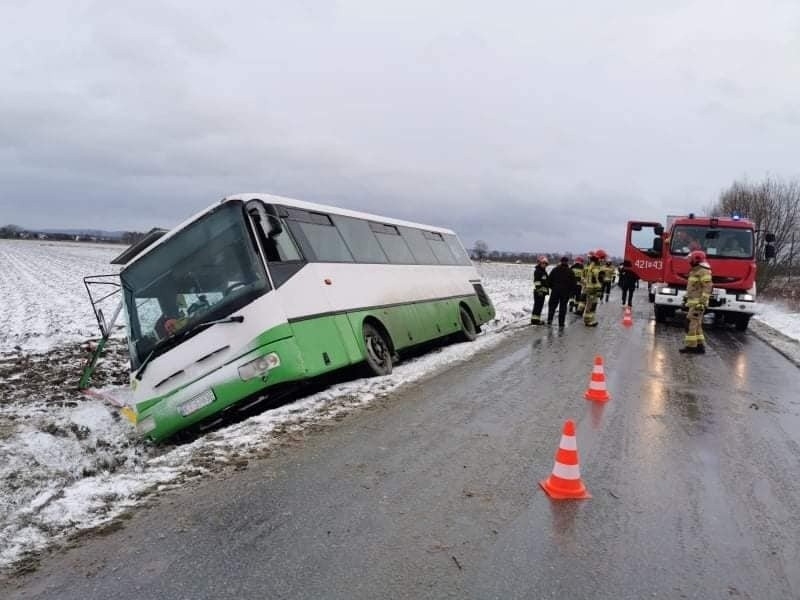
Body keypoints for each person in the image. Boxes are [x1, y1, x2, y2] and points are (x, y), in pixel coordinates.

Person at [680, 250, 712, 354]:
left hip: (698, 304)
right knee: (696, 325)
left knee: (690, 324)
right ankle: (700, 346)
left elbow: (707, 288)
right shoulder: (696, 270)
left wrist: (701, 303)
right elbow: (693, 288)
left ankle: (691, 347)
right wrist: (686, 298)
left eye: (691, 259)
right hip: (694, 303)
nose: (689, 261)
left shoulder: (702, 271)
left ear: (696, 260)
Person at [547, 256, 577, 327]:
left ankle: (549, 320)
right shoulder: (570, 271)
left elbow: (549, 281)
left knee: (552, 306)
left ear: (560, 261)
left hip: (555, 291)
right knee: (563, 307)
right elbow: (573, 283)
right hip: (565, 292)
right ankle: (561, 323)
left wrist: (553, 288)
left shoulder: (555, 270)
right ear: (567, 262)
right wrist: (571, 292)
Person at [582, 250, 606, 327]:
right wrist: (599, 291)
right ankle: (588, 321)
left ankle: (590, 320)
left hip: (590, 289)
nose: (604, 260)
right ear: (600, 258)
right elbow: (597, 281)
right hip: (593, 290)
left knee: (592, 305)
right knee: (591, 306)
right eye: (603, 258)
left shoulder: (592, 266)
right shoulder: (596, 268)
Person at [530, 256, 550, 325]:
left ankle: (536, 320)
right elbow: (537, 282)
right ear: (540, 263)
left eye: (545, 264)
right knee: (537, 306)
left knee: (539, 306)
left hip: (542, 293)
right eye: (543, 263)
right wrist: (539, 290)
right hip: (539, 292)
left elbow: (546, 281)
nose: (545, 265)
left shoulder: (543, 271)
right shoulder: (538, 271)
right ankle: (535, 321)